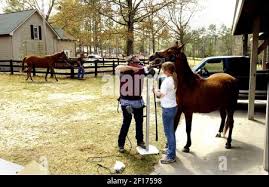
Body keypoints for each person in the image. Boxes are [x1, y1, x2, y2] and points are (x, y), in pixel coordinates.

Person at [116, 56, 149, 153]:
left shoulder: (141, 70)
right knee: (126, 123)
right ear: (130, 63)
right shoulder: (124, 70)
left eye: (139, 62)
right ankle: (121, 144)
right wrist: (132, 68)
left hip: (138, 102)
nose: (139, 64)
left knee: (139, 123)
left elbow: (150, 69)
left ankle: (140, 141)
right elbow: (117, 68)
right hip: (126, 101)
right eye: (136, 62)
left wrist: (145, 68)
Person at [154, 62, 178, 164]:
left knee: (169, 133)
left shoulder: (167, 81)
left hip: (168, 109)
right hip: (173, 107)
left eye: (164, 69)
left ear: (168, 70)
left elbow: (160, 95)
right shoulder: (174, 79)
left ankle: (171, 156)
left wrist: (155, 91)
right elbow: (167, 92)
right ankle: (170, 150)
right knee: (170, 131)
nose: (163, 71)